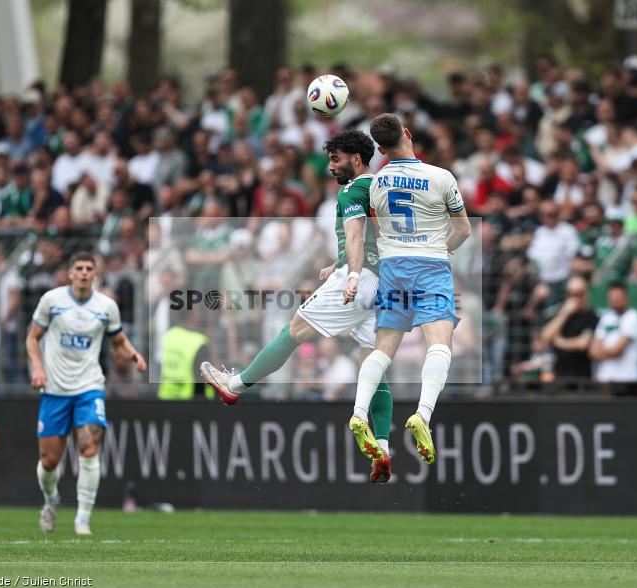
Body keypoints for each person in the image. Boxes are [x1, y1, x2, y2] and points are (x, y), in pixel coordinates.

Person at [199, 129, 395, 484]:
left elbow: (354, 234)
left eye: (335, 160)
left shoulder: (353, 189)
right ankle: (382, 445)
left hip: (360, 279)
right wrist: (340, 265)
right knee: (375, 366)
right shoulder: (383, 186)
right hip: (385, 282)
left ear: (355, 159)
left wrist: (350, 274)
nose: (330, 167)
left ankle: (236, 385)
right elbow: (378, 237)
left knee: (292, 332)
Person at [350, 113, 471, 466]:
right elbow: (463, 230)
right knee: (439, 344)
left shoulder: (376, 184)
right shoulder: (441, 177)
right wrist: (441, 247)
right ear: (407, 133)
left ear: (381, 147)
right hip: (430, 265)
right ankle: (423, 414)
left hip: (392, 267)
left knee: (383, 349)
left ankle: (359, 412)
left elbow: (373, 229)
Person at [26, 252, 147, 536]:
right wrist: (38, 368)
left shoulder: (106, 306)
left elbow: (117, 340)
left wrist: (134, 356)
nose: (83, 272)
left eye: (88, 269)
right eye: (78, 268)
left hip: (89, 387)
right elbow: (32, 337)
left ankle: (83, 518)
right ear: (70, 273)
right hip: (54, 389)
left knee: (89, 449)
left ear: (95, 274)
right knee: (49, 462)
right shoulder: (52, 301)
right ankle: (51, 500)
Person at [539, 277, 599, 379]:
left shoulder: (592, 317)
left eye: (580, 294)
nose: (576, 298)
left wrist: (559, 341)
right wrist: (564, 313)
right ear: (567, 295)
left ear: (586, 295)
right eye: (573, 294)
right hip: (559, 376)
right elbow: (545, 338)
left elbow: (582, 343)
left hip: (582, 378)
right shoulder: (561, 314)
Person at [589, 282, 637, 382]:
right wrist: (607, 351)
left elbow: (617, 351)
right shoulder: (606, 318)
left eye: (618, 297)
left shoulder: (633, 316)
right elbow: (592, 352)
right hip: (605, 378)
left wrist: (602, 351)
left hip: (627, 379)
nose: (615, 300)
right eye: (612, 297)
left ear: (626, 297)